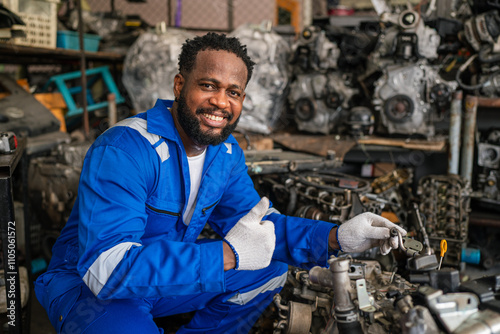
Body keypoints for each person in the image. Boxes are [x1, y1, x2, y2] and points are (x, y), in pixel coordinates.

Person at [35, 32, 406, 334]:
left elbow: (261, 229)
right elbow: (106, 269)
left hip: (162, 282)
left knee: (268, 270)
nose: (220, 102)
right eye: (208, 85)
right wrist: (227, 255)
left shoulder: (224, 153)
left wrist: (338, 237)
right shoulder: (126, 149)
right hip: (88, 291)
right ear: (180, 85)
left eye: (233, 92)